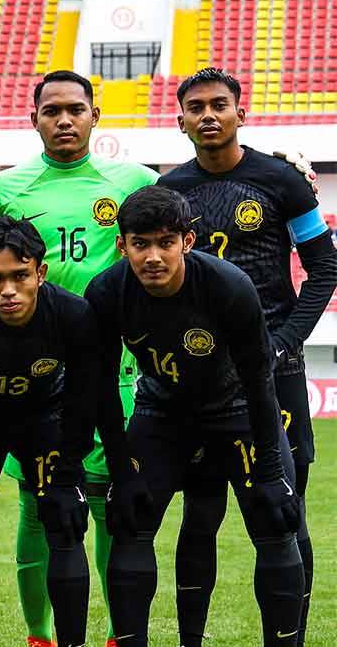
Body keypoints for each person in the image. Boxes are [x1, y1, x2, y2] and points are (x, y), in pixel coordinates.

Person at [0, 69, 158, 647]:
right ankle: (40, 636)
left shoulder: (133, 181)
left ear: (96, 115)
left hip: (115, 375)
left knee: (111, 505)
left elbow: (174, 232)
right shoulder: (2, 191)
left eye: (76, 109)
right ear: (33, 117)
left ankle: (120, 635)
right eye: (51, 111)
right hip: (31, 380)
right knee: (38, 509)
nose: (64, 120)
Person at [157, 67, 336, 647]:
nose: (208, 115)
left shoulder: (282, 180)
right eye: (196, 107)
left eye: (219, 105)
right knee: (200, 515)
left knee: (286, 515)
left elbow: (324, 267)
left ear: (241, 112)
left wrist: (284, 340)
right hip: (199, 377)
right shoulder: (172, 191)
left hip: (273, 372)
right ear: (180, 119)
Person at [86, 186, 304, 647]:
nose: (153, 257)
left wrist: (268, 469)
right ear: (122, 244)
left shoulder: (228, 286)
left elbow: (260, 381)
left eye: (165, 242)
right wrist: (123, 472)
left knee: (276, 520)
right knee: (129, 521)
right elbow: (101, 389)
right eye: (140, 243)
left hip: (238, 408)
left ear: (188, 240)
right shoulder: (106, 293)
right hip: (162, 412)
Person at [0, 216, 100, 647]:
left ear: (40, 273)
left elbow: (84, 402)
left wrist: (66, 470)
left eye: (20, 276)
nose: (8, 290)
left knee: (65, 519)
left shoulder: (73, 313)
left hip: (45, 418)